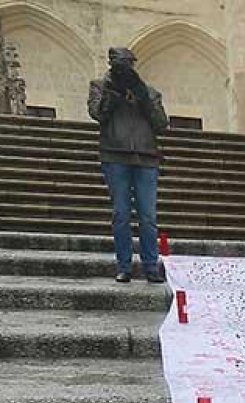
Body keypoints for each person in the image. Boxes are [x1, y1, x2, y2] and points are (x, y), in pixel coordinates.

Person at [87, 47, 168, 284]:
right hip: (115, 156)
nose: (124, 69)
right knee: (121, 214)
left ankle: (150, 266)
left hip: (146, 157)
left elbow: (161, 123)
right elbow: (97, 114)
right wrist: (113, 93)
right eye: (119, 64)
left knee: (148, 216)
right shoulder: (100, 87)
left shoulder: (149, 92)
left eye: (127, 64)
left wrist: (141, 94)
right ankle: (124, 266)